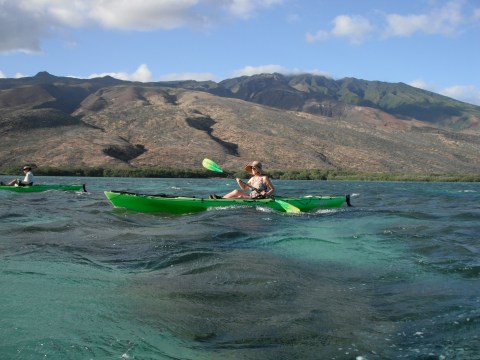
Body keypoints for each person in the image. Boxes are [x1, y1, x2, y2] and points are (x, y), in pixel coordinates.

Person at [210, 161, 275, 199]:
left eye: (254, 168)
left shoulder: (264, 178)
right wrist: (239, 182)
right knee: (236, 191)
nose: (252, 170)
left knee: (241, 196)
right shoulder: (252, 179)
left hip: (260, 198)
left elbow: (272, 189)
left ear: (258, 169)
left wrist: (266, 193)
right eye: (252, 168)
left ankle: (223, 200)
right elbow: (244, 188)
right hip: (252, 197)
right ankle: (222, 199)